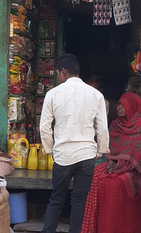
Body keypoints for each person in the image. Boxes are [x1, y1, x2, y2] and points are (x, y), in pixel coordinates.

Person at [40, 53, 109, 233]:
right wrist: (100, 150)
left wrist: (51, 150)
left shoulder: (53, 94)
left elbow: (45, 128)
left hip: (63, 155)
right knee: (79, 201)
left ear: (63, 71)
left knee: (56, 200)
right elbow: (102, 128)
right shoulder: (96, 95)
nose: (57, 77)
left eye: (57, 73)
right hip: (87, 156)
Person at [81, 92, 141, 233]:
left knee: (115, 184)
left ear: (133, 106)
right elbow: (112, 149)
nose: (120, 107)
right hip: (115, 165)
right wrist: (114, 163)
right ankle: (93, 228)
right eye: (119, 104)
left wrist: (121, 165)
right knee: (93, 177)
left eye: (124, 104)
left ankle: (114, 228)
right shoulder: (115, 125)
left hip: (134, 170)